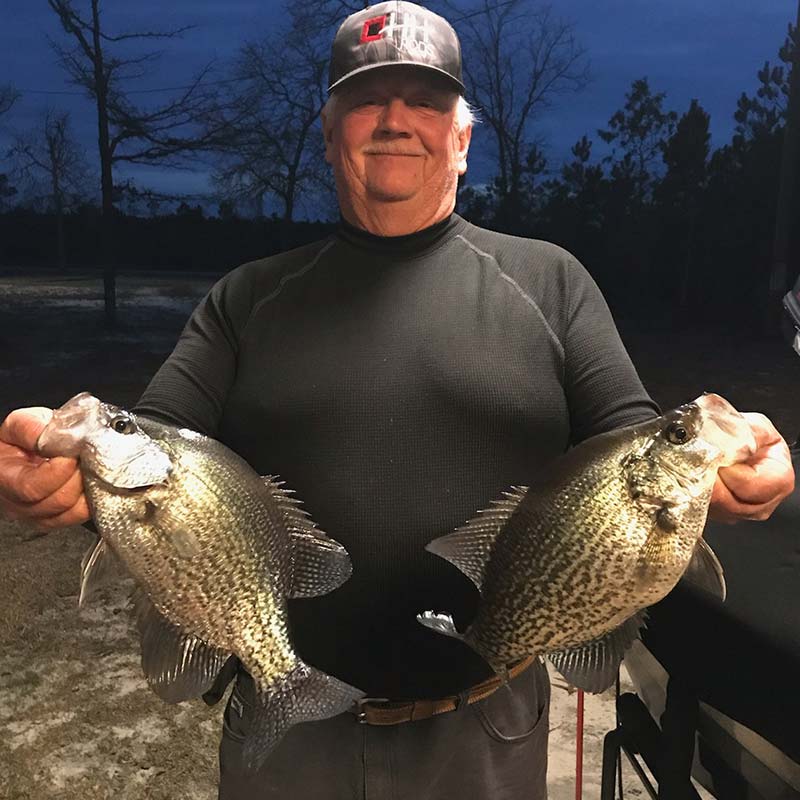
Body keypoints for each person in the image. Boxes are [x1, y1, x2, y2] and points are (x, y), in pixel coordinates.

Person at [0, 2, 793, 798]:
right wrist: (55, 457)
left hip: (485, 725)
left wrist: (735, 465)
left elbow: (630, 446)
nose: (395, 121)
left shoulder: (551, 282)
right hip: (286, 738)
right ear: (329, 131)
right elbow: (164, 447)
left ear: (462, 138)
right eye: (366, 100)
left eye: (425, 100)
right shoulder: (248, 298)